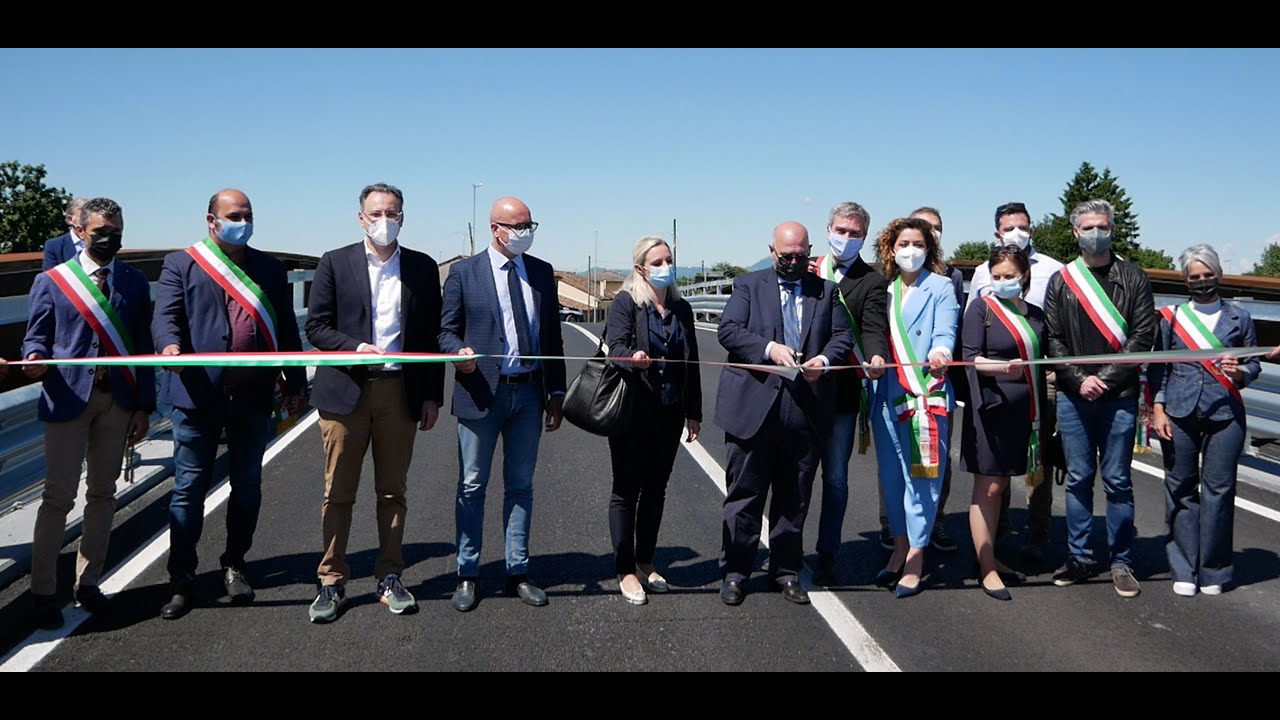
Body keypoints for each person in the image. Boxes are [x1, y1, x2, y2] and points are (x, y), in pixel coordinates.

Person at [152, 189, 307, 619]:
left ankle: (235, 565)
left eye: (248, 214)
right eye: (234, 215)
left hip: (253, 396)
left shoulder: (270, 268)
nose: (243, 221)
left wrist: (296, 382)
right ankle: (181, 577)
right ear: (211, 220)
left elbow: (287, 330)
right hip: (198, 396)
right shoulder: (181, 263)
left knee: (248, 488)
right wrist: (168, 347)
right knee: (188, 490)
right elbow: (165, 315)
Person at [304, 183, 444, 623]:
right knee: (338, 492)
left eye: (393, 212)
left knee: (392, 490)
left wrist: (431, 396)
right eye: (377, 212)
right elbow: (316, 327)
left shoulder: (422, 267)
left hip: (399, 391)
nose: (385, 219)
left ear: (403, 217)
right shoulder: (334, 262)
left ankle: (389, 575)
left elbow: (431, 337)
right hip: (346, 390)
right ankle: (331, 580)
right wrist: (352, 347)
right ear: (361, 217)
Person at [22, 197, 153, 629]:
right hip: (67, 400)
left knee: (103, 494)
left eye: (116, 232)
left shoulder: (133, 282)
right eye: (101, 232)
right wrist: (36, 357)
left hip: (117, 402)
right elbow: (36, 339)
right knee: (57, 499)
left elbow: (141, 347)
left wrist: (142, 406)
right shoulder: (54, 281)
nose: (110, 239)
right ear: (79, 232)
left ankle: (88, 582)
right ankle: (42, 592)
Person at [439, 196, 567, 612]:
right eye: (518, 226)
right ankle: (468, 573)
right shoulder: (463, 274)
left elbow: (552, 337)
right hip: (481, 392)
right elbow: (445, 333)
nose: (525, 233)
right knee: (472, 486)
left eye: (530, 225)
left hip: (530, 391)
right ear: (496, 228)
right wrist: (459, 352)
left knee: (521, 485)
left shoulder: (543, 273)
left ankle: (518, 571)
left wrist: (557, 394)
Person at [715, 221, 852, 607]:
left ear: (810, 252)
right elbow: (729, 330)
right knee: (744, 496)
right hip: (754, 408)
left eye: (801, 256)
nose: (794, 262)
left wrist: (823, 361)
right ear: (772, 251)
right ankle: (736, 572)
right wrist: (769, 349)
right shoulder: (748, 285)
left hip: (805, 408)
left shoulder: (826, 291)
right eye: (786, 255)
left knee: (794, 497)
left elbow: (842, 337)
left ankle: (786, 571)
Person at [1044, 199, 1155, 598]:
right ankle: (1079, 557)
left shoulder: (1134, 278)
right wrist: (1078, 378)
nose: (1096, 233)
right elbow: (1052, 338)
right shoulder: (1061, 281)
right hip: (1075, 396)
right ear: (1075, 231)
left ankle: (1121, 562)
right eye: (1088, 227)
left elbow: (1144, 337)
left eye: (1103, 226)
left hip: (1119, 394)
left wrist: (1104, 379)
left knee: (1118, 480)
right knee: (1077, 479)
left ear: (1112, 229)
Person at [1149, 244, 1261, 596]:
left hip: (1225, 413)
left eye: (1207, 275)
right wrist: (1157, 407)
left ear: (1219, 275)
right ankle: (1183, 567)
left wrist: (1240, 372)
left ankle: (1214, 569)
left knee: (1219, 493)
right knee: (1180, 490)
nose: (1202, 282)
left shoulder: (1238, 318)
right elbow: (1159, 367)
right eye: (1194, 277)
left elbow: (1254, 363)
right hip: (1179, 412)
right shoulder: (1171, 318)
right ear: (1185, 280)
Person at [604, 235, 702, 605]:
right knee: (626, 489)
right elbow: (615, 349)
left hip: (669, 411)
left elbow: (691, 363)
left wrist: (694, 411)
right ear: (640, 268)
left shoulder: (682, 308)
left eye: (669, 260)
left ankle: (646, 559)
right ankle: (625, 568)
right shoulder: (626, 304)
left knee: (656, 489)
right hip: (632, 411)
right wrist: (633, 356)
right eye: (657, 262)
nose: (665, 268)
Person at [968, 202, 1065, 563]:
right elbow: (973, 338)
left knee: (1038, 457)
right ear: (997, 232)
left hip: (1040, 382)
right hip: (999, 386)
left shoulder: (1055, 269)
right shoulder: (982, 273)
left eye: (1022, 226)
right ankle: (1000, 532)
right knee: (998, 471)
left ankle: (1038, 531)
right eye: (1009, 228)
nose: (1016, 233)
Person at [870, 217, 959, 598]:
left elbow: (945, 331)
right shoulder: (884, 289)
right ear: (891, 249)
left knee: (922, 478)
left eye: (918, 243)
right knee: (891, 477)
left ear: (929, 248)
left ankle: (917, 557)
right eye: (903, 243)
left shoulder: (940, 287)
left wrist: (941, 352)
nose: (911, 250)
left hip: (927, 394)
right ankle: (901, 546)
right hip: (887, 396)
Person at [808, 202, 888, 586]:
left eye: (854, 233)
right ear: (827, 229)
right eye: (840, 230)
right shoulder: (808, 268)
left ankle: (828, 553)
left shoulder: (872, 280)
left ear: (864, 237)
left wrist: (875, 355)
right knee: (797, 476)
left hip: (841, 394)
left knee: (836, 478)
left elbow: (873, 326)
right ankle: (790, 550)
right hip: (802, 391)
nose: (846, 238)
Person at [961, 246, 1044, 601]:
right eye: (996, 276)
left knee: (1004, 486)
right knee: (989, 487)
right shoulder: (982, 308)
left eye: (1009, 276)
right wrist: (1002, 367)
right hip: (990, 408)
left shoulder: (1038, 316)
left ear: (1024, 276)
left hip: (1024, 412)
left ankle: (991, 555)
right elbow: (968, 358)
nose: (1002, 282)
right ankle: (985, 566)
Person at [906, 206, 964, 553]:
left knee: (936, 457)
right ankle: (894, 527)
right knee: (898, 463)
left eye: (936, 228)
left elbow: (948, 327)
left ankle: (934, 522)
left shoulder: (950, 278)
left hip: (934, 383)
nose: (930, 233)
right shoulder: (889, 280)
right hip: (898, 385)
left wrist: (942, 352)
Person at [40, 197, 87, 271]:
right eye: (84, 218)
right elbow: (50, 278)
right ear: (70, 219)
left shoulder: (102, 242)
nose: (88, 222)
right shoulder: (54, 246)